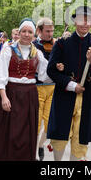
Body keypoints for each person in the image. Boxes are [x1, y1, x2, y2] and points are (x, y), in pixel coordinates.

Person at [0, 18, 48, 161]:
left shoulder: (37, 53)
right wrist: (4, 97)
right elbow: (0, 75)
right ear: (18, 33)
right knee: (7, 133)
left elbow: (45, 75)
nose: (26, 34)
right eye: (23, 31)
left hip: (29, 96)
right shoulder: (8, 50)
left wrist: (59, 68)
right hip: (10, 93)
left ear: (34, 34)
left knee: (25, 134)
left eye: (29, 32)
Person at [46, 6, 91, 161]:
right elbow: (51, 70)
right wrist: (71, 85)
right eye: (81, 20)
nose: (84, 24)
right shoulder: (62, 43)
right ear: (74, 22)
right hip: (65, 95)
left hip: (88, 97)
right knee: (60, 135)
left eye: (88, 20)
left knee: (81, 135)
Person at [33, 17, 56, 161]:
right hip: (37, 87)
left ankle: (40, 145)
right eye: (47, 31)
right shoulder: (33, 45)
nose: (50, 34)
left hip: (53, 87)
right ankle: (34, 153)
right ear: (39, 31)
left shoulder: (56, 45)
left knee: (49, 125)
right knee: (36, 122)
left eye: (52, 31)